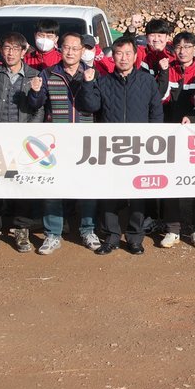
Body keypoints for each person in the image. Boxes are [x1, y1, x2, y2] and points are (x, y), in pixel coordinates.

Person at [77, 36, 164, 255]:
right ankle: (111, 237)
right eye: (118, 53)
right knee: (109, 194)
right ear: (112, 56)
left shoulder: (147, 81)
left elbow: (156, 112)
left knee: (137, 195)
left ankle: (135, 237)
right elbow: (91, 106)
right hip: (111, 148)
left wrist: (153, 140)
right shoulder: (103, 81)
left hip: (139, 147)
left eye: (127, 53)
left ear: (135, 56)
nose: (123, 58)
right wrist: (87, 84)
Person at [0, 32, 46, 255]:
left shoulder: (33, 75)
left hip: (21, 140)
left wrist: (28, 135)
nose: (10, 53)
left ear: (24, 51)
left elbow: (38, 109)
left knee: (21, 186)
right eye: (6, 48)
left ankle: (21, 229)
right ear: (1, 51)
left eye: (15, 48)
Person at [29, 31, 100, 252]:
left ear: (82, 51)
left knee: (87, 188)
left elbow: (94, 106)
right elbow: (36, 104)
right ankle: (52, 234)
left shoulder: (91, 74)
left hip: (84, 142)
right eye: (67, 47)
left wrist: (88, 83)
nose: (70, 52)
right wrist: (34, 92)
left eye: (75, 48)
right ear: (60, 48)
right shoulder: (48, 73)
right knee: (53, 189)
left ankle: (88, 230)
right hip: (56, 142)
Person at [158, 31, 195, 248]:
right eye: (178, 47)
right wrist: (163, 73)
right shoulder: (167, 69)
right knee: (170, 181)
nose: (182, 51)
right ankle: (173, 229)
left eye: (187, 47)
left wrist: (194, 119)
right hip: (171, 135)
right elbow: (160, 98)